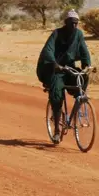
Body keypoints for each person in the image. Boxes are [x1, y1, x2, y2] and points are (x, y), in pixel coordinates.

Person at [36, 9, 91, 144]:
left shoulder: (78, 34)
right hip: (58, 69)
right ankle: (56, 131)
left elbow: (84, 50)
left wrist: (87, 65)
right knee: (56, 95)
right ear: (65, 22)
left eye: (76, 23)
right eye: (71, 23)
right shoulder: (57, 33)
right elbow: (48, 50)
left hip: (69, 67)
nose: (74, 26)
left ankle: (79, 101)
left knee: (82, 78)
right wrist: (54, 64)